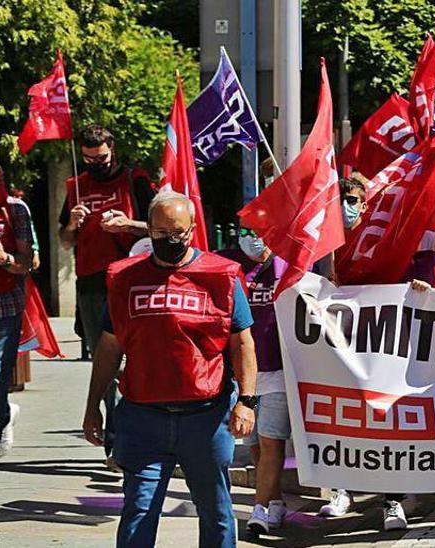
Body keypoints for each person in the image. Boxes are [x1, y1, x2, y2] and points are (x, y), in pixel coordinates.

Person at [80, 192, 257, 547]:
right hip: (143, 418)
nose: (170, 241)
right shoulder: (124, 278)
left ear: (192, 230)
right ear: (149, 230)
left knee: (216, 512)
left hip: (206, 419)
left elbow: (242, 343)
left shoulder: (220, 276)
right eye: (161, 233)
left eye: (178, 233)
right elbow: (109, 347)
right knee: (139, 512)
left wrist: (247, 402)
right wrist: (93, 406)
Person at [58, 124, 156, 462]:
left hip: (133, 281)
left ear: (112, 149)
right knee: (105, 365)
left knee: (136, 360)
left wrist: (128, 224)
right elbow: (64, 241)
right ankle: (116, 440)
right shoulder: (76, 186)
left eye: (100, 158)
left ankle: (138, 436)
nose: (94, 164)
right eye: (88, 158)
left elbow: (160, 226)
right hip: (91, 285)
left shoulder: (135, 180)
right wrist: (71, 224)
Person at [322, 175, 411, 531]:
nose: (348, 204)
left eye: (354, 199)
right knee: (344, 420)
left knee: (383, 419)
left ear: (365, 203)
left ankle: (392, 501)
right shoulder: (323, 241)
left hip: (380, 344)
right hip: (338, 347)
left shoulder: (380, 239)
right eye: (342, 197)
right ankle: (342, 490)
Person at [216, 229, 290, 535]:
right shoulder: (231, 264)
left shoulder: (288, 266)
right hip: (246, 377)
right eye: (244, 231)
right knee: (257, 445)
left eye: (258, 230)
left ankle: (258, 511)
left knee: (272, 443)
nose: (251, 237)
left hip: (278, 374)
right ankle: (274, 502)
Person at [0, 164, 35, 460]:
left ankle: (1, 420)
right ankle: (4, 412)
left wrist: (3, 258)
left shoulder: (15, 210)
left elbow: (26, 263)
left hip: (5, 305)